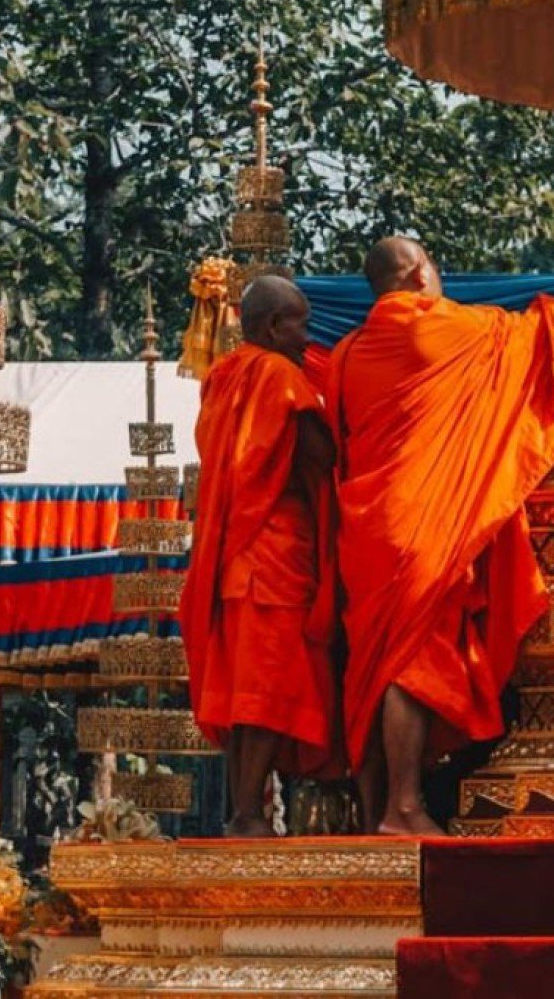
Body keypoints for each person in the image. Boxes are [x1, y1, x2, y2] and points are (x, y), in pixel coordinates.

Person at [328, 237, 554, 835]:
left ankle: (376, 811)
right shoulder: (429, 328)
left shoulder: (346, 352)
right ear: (416, 273)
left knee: (376, 668)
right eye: (436, 266)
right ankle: (404, 807)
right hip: (421, 522)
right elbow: (529, 336)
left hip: (369, 527)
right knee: (412, 659)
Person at [180, 276, 338, 838]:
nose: (308, 338)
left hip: (235, 556)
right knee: (266, 691)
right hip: (272, 554)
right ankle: (248, 814)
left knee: (247, 693)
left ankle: (244, 811)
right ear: (274, 326)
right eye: (301, 324)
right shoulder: (275, 374)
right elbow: (318, 456)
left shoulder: (223, 378)